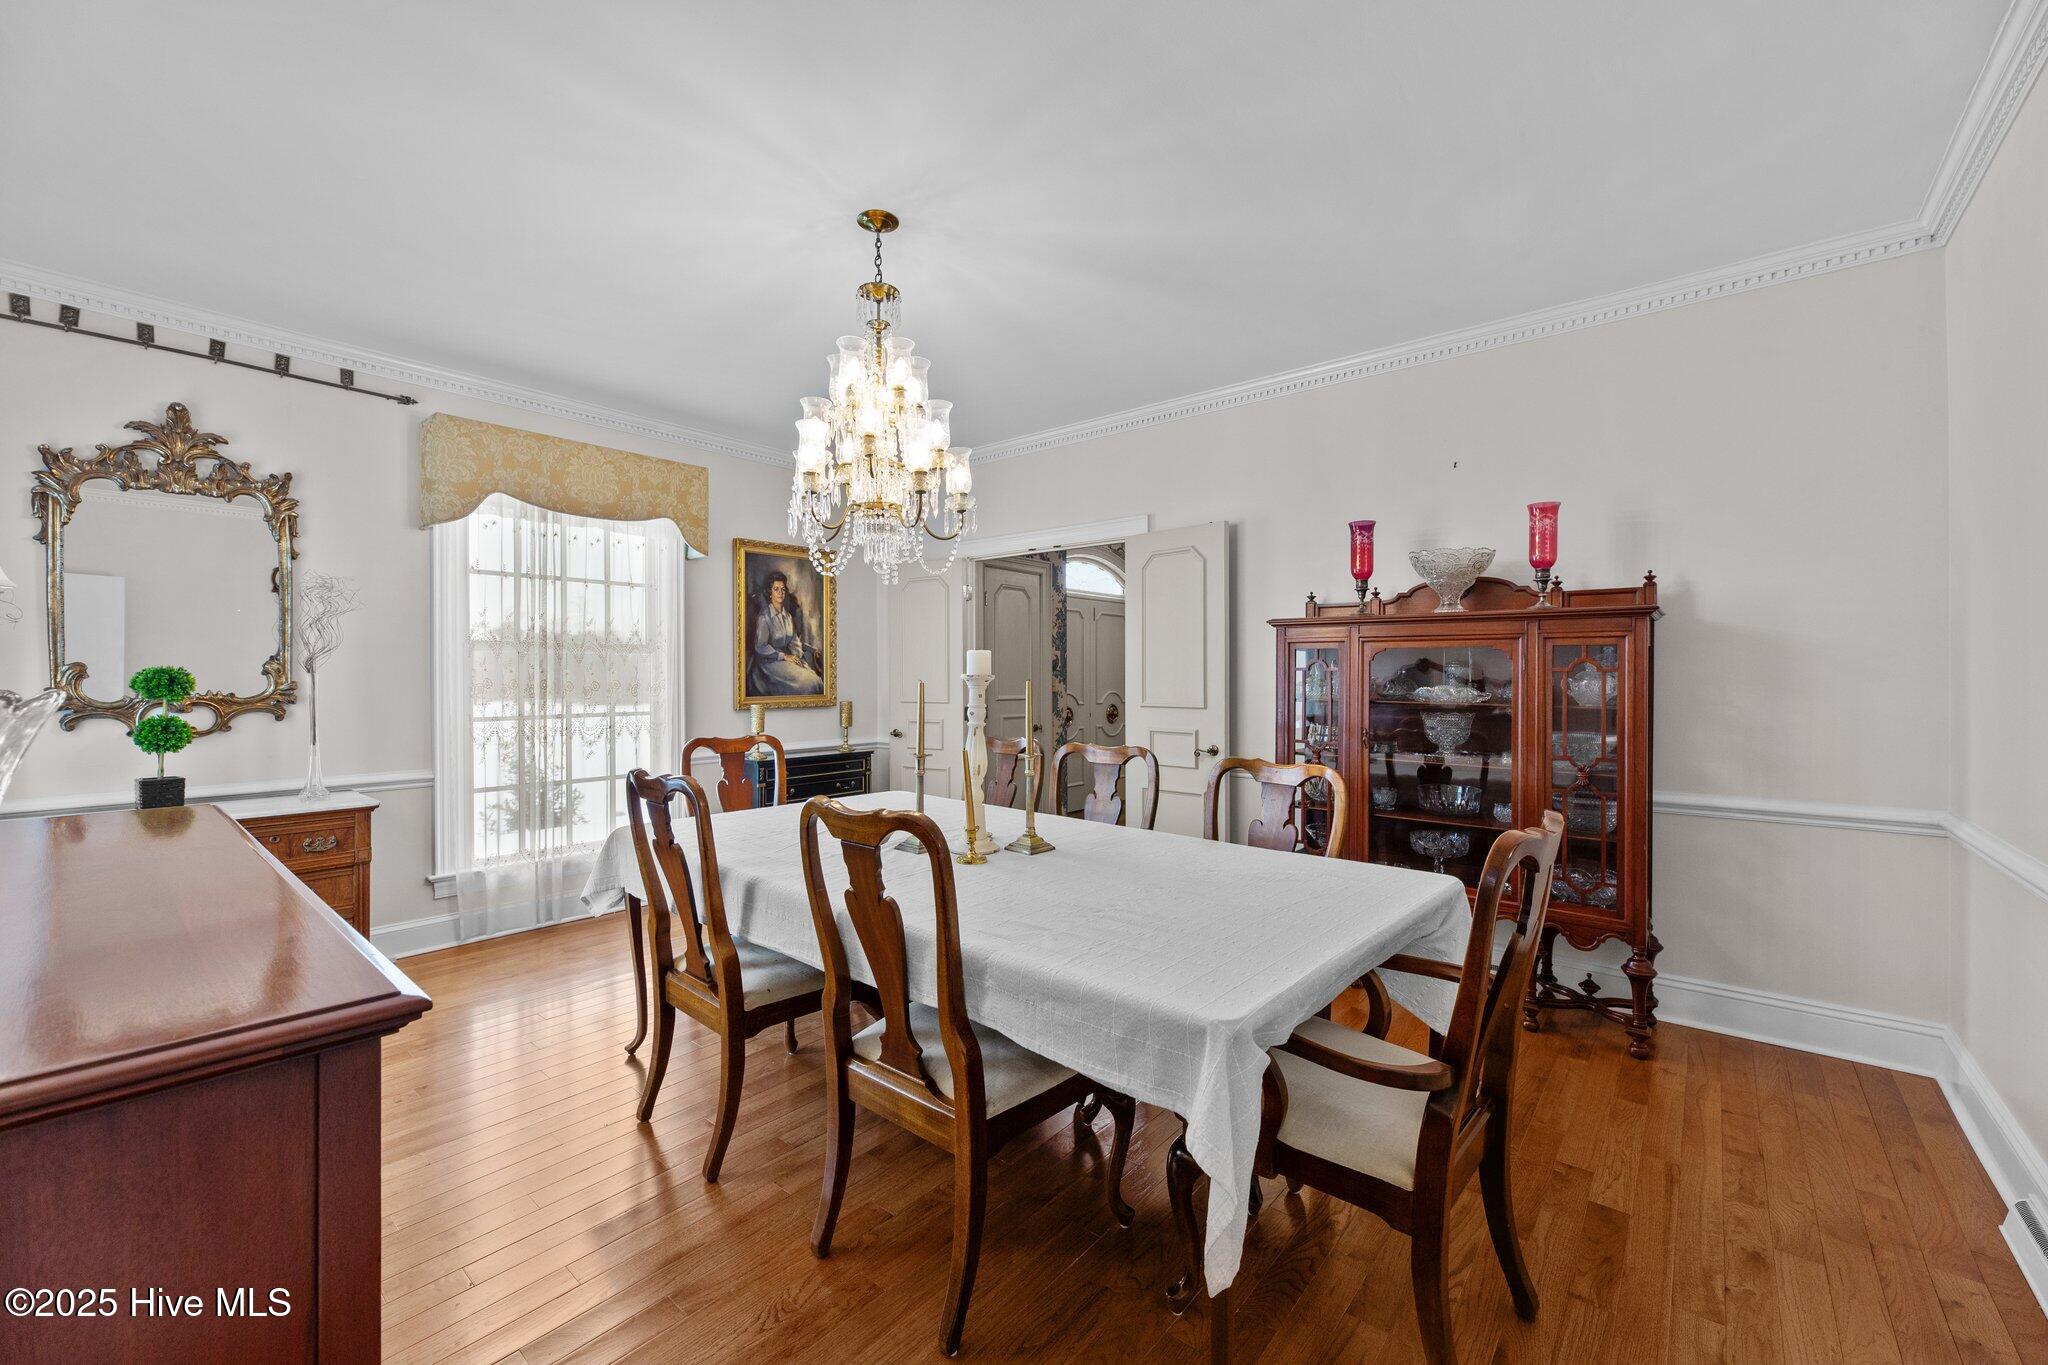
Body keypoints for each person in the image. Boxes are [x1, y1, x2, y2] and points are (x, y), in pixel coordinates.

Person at [749, 569, 824, 696]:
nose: (780, 593)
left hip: (786, 660)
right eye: (776, 589)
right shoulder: (765, 617)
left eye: (783, 589)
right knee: (809, 683)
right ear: (770, 593)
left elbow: (794, 640)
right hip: (769, 664)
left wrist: (798, 657)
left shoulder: (787, 617)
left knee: (816, 680)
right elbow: (761, 647)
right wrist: (784, 656)